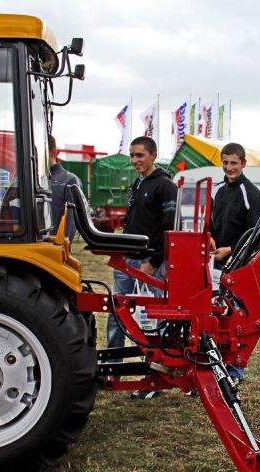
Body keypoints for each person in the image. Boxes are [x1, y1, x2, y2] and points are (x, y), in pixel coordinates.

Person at [107, 136, 177, 399]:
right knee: (117, 313)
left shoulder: (165, 186)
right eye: (132, 155)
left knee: (152, 321)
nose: (135, 160)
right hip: (128, 260)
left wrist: (154, 262)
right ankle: (112, 369)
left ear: (153, 155)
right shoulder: (137, 184)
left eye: (140, 155)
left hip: (149, 264)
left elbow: (168, 230)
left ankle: (155, 376)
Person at [209, 142, 260, 385]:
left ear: (243, 163)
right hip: (217, 263)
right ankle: (215, 364)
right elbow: (211, 221)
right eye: (225, 162)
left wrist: (230, 250)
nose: (229, 167)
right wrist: (210, 238)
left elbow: (257, 235)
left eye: (234, 163)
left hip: (239, 265)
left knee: (236, 317)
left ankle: (234, 371)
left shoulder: (251, 193)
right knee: (217, 315)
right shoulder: (219, 190)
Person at [48, 135, 82, 241]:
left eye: (37, 151)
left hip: (53, 248)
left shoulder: (69, 181)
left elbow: (71, 223)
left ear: (53, 152)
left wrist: (63, 246)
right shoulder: (32, 181)